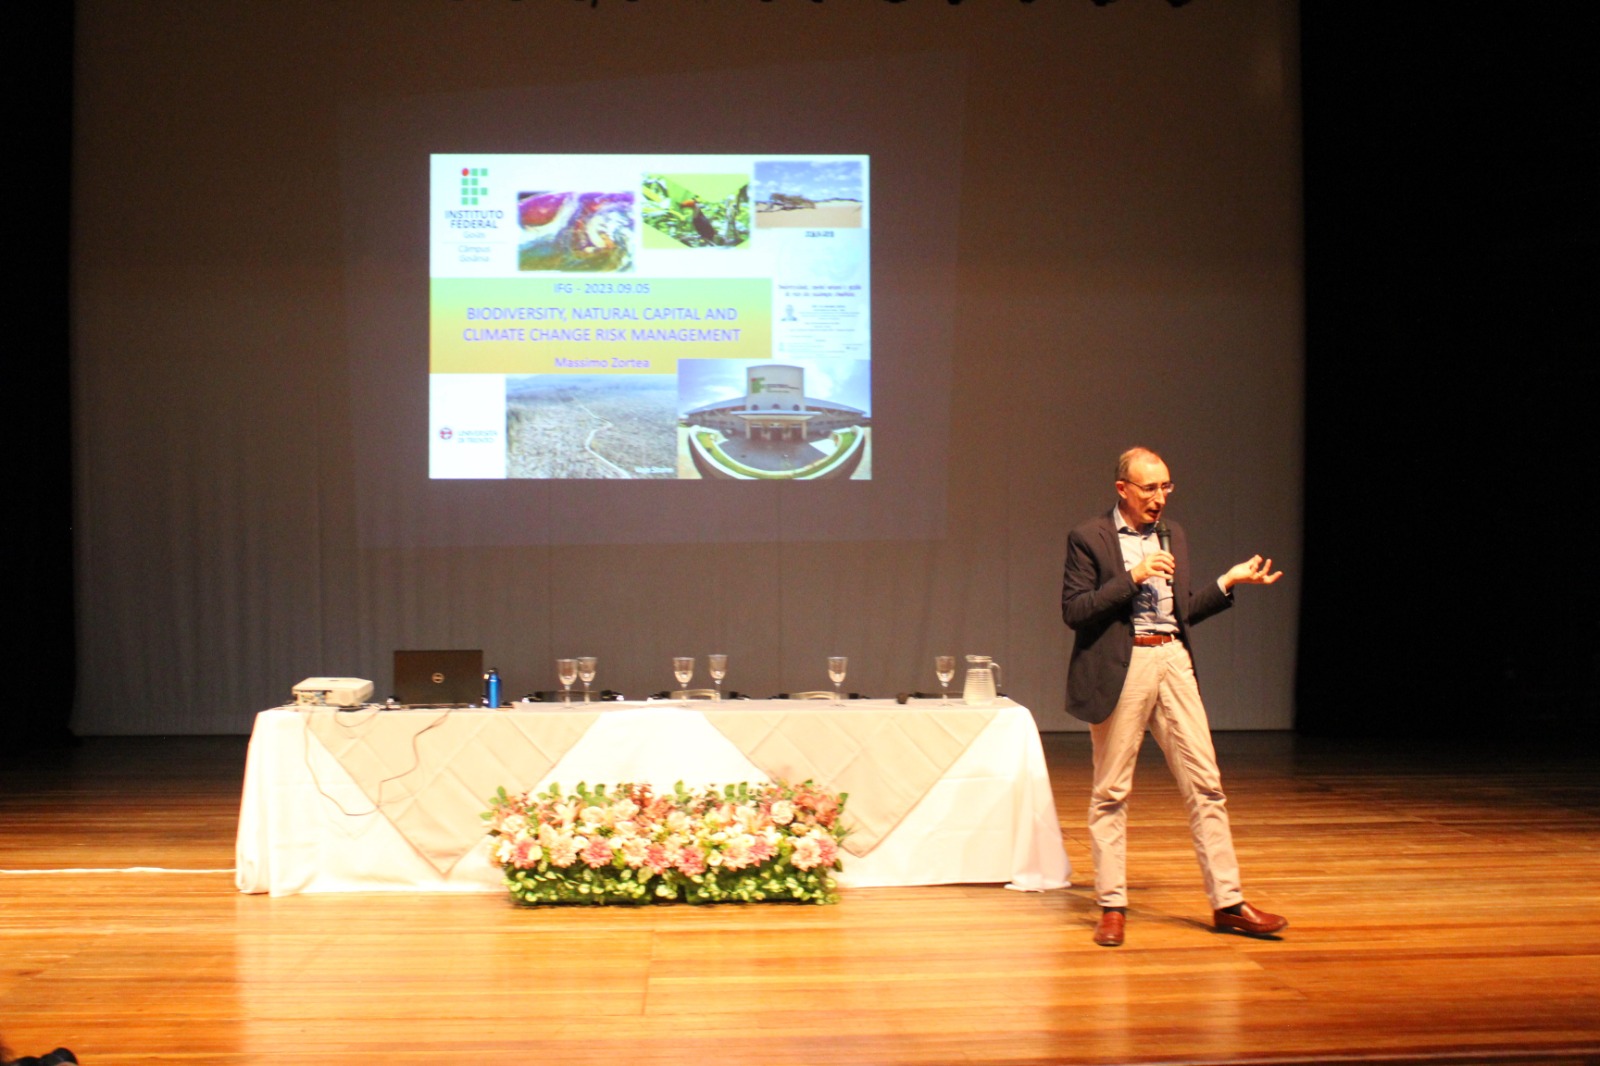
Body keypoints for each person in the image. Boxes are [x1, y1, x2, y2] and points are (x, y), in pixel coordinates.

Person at [1061, 447, 1287, 948]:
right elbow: (1075, 611)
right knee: (1112, 791)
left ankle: (1228, 901)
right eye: (1149, 488)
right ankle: (1112, 904)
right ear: (1123, 489)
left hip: (1173, 661)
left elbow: (1182, 610)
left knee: (1207, 784)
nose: (1159, 498)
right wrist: (1133, 578)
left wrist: (1228, 581)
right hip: (1124, 666)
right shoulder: (1089, 537)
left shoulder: (1173, 535)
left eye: (1166, 487)